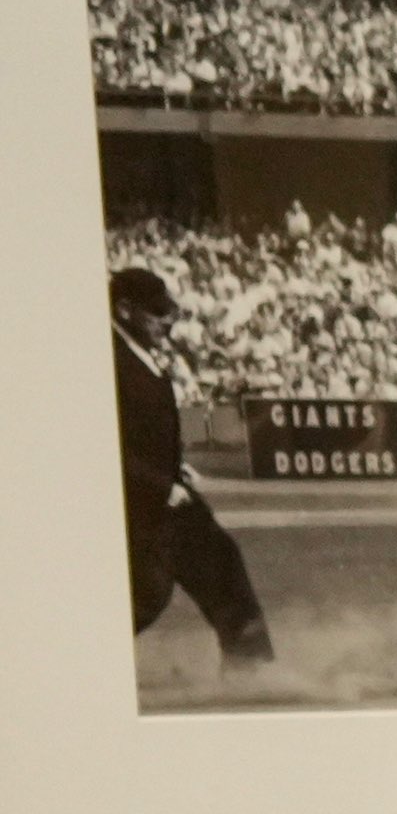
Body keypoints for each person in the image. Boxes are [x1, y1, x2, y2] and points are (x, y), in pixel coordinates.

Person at [108, 266, 274, 667]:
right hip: (137, 505)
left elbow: (145, 434)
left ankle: (251, 672)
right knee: (147, 594)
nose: (168, 321)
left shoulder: (138, 353)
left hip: (164, 497)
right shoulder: (109, 361)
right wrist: (159, 484)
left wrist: (174, 468)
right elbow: (105, 449)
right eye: (157, 313)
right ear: (126, 309)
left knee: (221, 564)